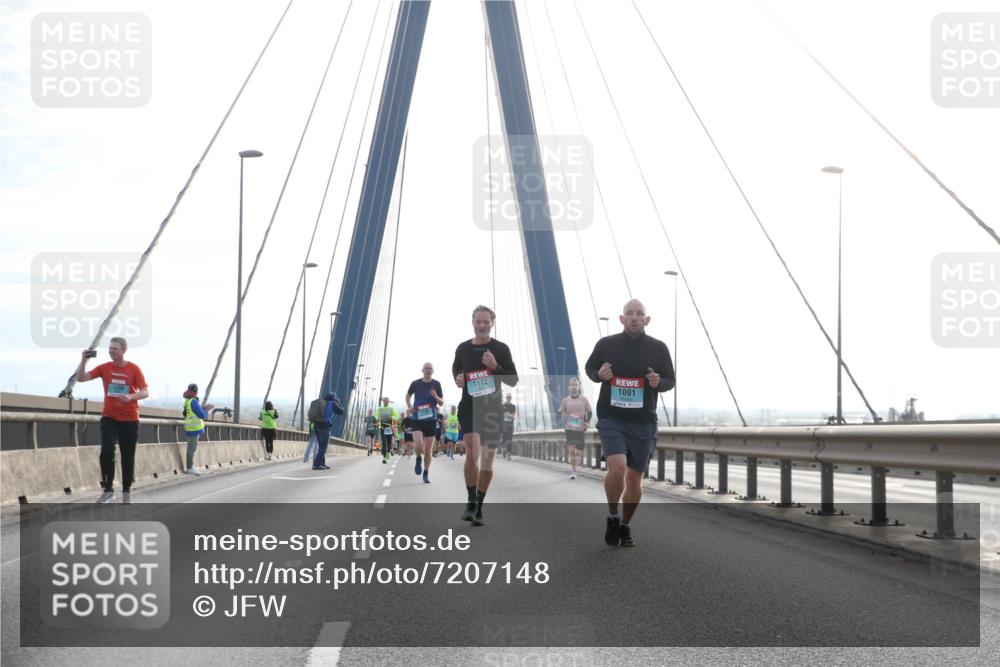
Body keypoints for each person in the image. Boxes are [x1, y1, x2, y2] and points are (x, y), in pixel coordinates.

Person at [585, 299, 674, 547]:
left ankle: (625, 525)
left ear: (647, 319)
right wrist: (598, 375)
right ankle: (613, 516)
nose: (634, 317)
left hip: (643, 421)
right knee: (617, 468)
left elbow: (670, 380)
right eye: (629, 314)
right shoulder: (606, 344)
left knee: (635, 480)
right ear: (621, 318)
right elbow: (590, 368)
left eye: (639, 314)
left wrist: (659, 382)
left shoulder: (659, 348)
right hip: (612, 418)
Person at [452, 305, 518, 525]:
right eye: (478, 321)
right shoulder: (462, 349)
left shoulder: (501, 349)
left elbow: (512, 380)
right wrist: (459, 380)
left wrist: (495, 366)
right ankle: (470, 501)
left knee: (488, 461)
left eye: (486, 322)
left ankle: (480, 503)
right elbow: (457, 372)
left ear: (492, 323)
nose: (482, 325)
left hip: (492, 411)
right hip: (469, 408)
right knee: (472, 453)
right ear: (473, 323)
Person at [75, 337, 149, 504]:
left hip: (130, 419)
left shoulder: (134, 369)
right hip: (110, 417)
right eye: (110, 348)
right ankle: (108, 490)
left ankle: (126, 492)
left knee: (127, 456)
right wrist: (83, 360)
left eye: (115, 348)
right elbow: (81, 378)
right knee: (107, 451)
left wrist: (130, 396)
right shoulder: (104, 368)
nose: (111, 351)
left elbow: (145, 392)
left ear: (123, 350)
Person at [406, 362, 444, 483]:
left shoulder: (437, 384)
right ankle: (418, 458)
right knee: (418, 445)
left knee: (428, 450)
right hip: (417, 418)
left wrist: (435, 396)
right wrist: (409, 406)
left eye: (430, 368)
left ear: (433, 371)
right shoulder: (415, 383)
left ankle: (426, 473)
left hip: (431, 420)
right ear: (422, 370)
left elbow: (441, 402)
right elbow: (407, 395)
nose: (428, 370)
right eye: (426, 368)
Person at [559, 378, 592, 480]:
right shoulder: (565, 400)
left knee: (578, 452)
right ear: (569, 387)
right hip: (570, 429)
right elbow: (560, 412)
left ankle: (575, 464)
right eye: (572, 385)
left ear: (578, 387)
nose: (574, 387)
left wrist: (587, 422)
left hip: (580, 429)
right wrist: (564, 416)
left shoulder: (584, 399)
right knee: (572, 450)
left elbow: (589, 412)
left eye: (575, 385)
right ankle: (573, 471)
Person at [183, 384, 213, 474]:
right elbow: (202, 415)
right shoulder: (194, 401)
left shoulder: (187, 401)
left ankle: (190, 466)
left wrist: (202, 408)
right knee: (192, 448)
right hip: (194, 428)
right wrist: (207, 409)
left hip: (189, 427)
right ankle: (189, 467)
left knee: (191, 448)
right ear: (196, 392)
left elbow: (186, 413)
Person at [312, 392, 344, 471]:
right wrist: (339, 403)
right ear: (334, 398)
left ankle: (322, 464)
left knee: (321, 447)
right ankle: (316, 464)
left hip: (316, 427)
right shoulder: (333, 403)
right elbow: (341, 411)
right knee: (323, 447)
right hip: (325, 427)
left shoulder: (321, 403)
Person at [376, 397, 395, 464]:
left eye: (387, 401)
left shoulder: (391, 409)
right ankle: (385, 458)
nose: (385, 402)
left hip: (389, 428)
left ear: (388, 402)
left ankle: (387, 454)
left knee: (389, 444)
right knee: (384, 443)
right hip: (383, 428)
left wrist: (392, 418)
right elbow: (377, 417)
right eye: (384, 401)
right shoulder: (380, 409)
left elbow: (396, 417)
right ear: (383, 402)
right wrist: (378, 422)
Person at [501, 394, 516, 460]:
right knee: (504, 437)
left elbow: (513, 415)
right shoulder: (502, 406)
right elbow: (502, 414)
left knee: (509, 438)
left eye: (510, 397)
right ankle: (504, 449)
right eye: (507, 397)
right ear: (506, 398)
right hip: (504, 424)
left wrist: (508, 414)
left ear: (511, 398)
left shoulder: (513, 406)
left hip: (510, 424)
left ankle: (509, 453)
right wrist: (509, 415)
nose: (508, 398)